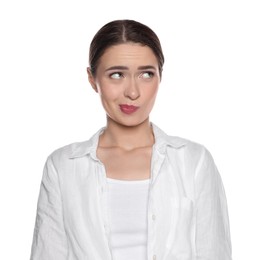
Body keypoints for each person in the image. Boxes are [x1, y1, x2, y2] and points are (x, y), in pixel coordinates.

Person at [30, 19, 232, 260]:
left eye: (147, 74)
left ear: (160, 77)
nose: (133, 92)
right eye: (117, 75)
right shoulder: (63, 166)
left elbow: (215, 254)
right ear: (92, 79)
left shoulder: (194, 162)